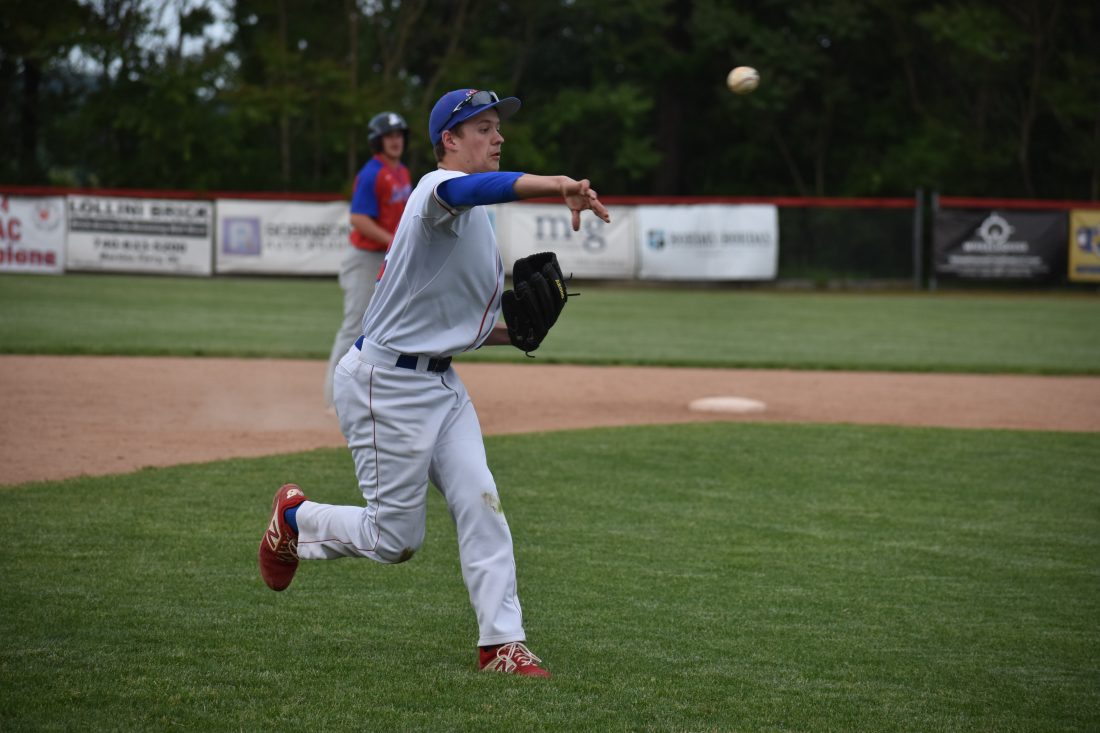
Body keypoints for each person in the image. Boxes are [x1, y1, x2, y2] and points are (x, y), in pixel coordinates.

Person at [259, 87, 610, 677]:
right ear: (449, 139)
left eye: (498, 127)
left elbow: (446, 325)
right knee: (394, 540)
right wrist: (557, 184)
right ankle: (295, 520)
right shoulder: (435, 191)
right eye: (483, 128)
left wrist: (513, 335)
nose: (497, 137)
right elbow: (475, 188)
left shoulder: (472, 221)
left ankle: (501, 644)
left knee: (481, 501)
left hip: (441, 386)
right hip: (385, 387)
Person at [323, 111, 412, 407]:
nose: (395, 140)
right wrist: (394, 241)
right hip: (365, 259)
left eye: (399, 134)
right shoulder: (372, 173)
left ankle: (381, 393)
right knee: (355, 327)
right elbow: (359, 219)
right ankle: (335, 399)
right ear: (377, 141)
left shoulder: (402, 172)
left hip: (388, 259)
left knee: (393, 326)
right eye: (389, 136)